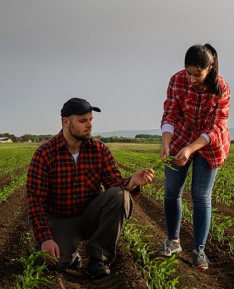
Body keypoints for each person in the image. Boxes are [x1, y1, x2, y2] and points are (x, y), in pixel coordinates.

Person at [26, 97, 155, 279]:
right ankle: (71, 255)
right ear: (65, 122)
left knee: (120, 196)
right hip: (62, 219)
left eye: (90, 120)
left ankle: (99, 258)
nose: (89, 125)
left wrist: (133, 181)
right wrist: (45, 239)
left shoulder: (99, 150)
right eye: (82, 121)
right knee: (48, 265)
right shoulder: (45, 154)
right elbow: (35, 200)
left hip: (90, 216)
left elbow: (114, 184)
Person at [157, 43, 230, 270]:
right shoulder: (176, 80)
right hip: (180, 137)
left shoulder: (221, 88)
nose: (191, 79)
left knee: (200, 195)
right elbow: (170, 113)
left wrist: (191, 149)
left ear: (209, 68)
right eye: (188, 72)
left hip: (209, 145)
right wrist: (166, 144)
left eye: (197, 74)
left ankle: (199, 250)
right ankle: (173, 241)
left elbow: (216, 127)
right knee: (171, 191)